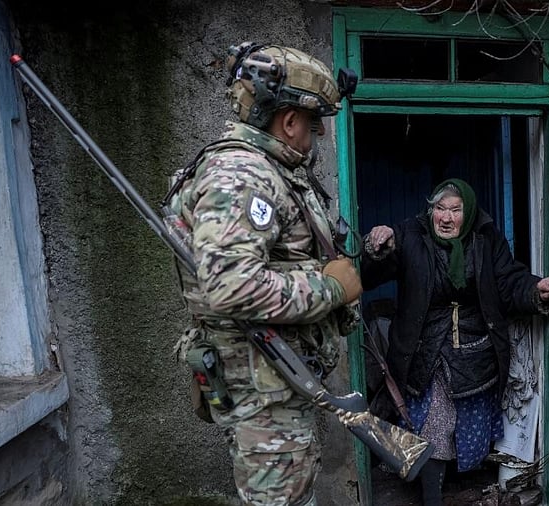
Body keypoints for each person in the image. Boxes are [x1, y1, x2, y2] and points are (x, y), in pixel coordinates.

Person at [163, 42, 363, 506]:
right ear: (289, 122)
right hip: (263, 388)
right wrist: (331, 287)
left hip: (279, 376)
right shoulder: (241, 175)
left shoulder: (270, 169)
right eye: (313, 126)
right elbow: (230, 286)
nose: (314, 139)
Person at [361, 178, 549, 506]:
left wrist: (534, 289)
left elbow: (508, 280)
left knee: (461, 427)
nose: (446, 217)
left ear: (467, 214)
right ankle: (432, 498)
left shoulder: (486, 238)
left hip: (474, 349)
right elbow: (369, 276)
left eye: (455, 210)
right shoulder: (411, 234)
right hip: (424, 347)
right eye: (439, 208)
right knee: (436, 423)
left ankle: (449, 483)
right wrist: (375, 247)